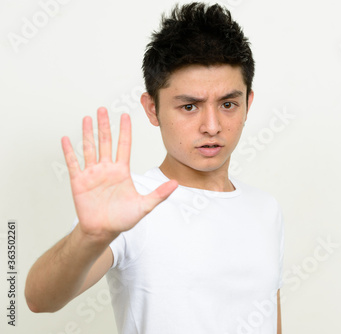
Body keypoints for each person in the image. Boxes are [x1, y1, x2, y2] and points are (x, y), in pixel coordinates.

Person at [25, 2, 284, 334]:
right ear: (152, 109)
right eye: (189, 106)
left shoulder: (266, 209)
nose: (211, 125)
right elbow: (39, 299)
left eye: (228, 104)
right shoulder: (129, 205)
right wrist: (89, 237)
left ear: (248, 103)